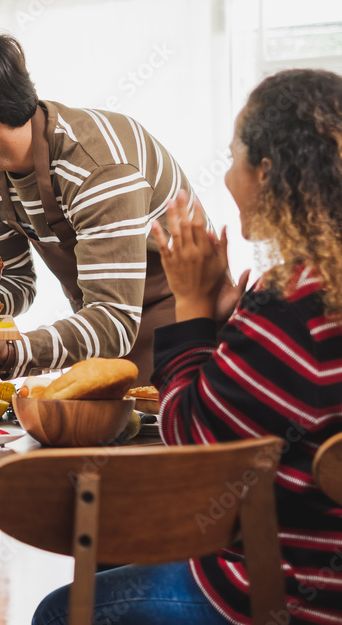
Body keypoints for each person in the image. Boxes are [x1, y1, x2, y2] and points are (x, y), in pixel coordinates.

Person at [32, 69, 342, 624]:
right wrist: (229, 318)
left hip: (285, 587)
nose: (225, 177)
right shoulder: (318, 292)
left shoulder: (292, 304)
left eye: (232, 159)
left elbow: (193, 443)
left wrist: (192, 306)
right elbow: (266, 413)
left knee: (59, 611)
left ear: (267, 173)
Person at [0, 27, 214, 385]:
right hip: (101, 331)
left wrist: (10, 351)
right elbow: (16, 282)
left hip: (184, 330)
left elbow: (115, 319)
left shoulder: (98, 168)